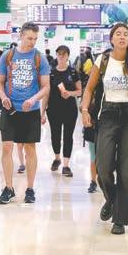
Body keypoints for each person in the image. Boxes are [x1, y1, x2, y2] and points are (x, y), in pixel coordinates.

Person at [81, 23, 128, 235]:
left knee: (126, 173)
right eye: (118, 34)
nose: (122, 37)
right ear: (111, 39)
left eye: (125, 34)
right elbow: (89, 89)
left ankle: (119, 219)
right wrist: (84, 110)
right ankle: (111, 199)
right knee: (103, 167)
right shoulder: (103, 60)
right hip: (107, 115)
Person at [0, 22, 52, 204]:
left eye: (35, 39)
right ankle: (8, 188)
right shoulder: (8, 56)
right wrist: (3, 96)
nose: (32, 42)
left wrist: (33, 99)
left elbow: (46, 87)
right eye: (29, 38)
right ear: (21, 36)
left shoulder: (39, 58)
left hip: (30, 110)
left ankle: (30, 188)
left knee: (30, 148)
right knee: (7, 146)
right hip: (10, 109)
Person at [42, 45, 83, 177]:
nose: (61, 56)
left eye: (64, 54)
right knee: (55, 135)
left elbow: (80, 91)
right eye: (59, 54)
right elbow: (46, 94)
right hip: (53, 109)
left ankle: (66, 165)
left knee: (68, 136)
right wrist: (42, 112)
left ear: (67, 56)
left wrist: (69, 93)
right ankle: (57, 158)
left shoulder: (73, 72)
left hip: (70, 109)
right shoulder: (51, 73)